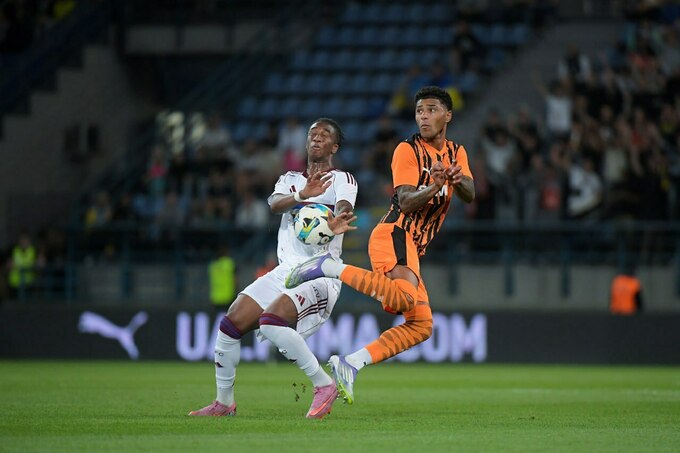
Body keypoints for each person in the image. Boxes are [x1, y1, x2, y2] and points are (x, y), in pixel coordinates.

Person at [286, 86, 475, 404]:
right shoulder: (407, 150)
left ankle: (351, 363)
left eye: (431, 109)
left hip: (412, 245)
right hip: (395, 232)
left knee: (421, 325)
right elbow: (405, 200)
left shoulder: (457, 152)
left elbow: (470, 193)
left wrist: (457, 179)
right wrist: (435, 186)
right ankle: (328, 267)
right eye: (419, 110)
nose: (423, 116)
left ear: (448, 115)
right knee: (404, 299)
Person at [189, 118, 358, 419]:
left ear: (335, 146)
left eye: (325, 134)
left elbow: (345, 206)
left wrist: (337, 219)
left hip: (320, 271)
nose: (317, 137)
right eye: (312, 133)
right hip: (285, 271)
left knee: (270, 321)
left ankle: (324, 385)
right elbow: (275, 204)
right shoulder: (290, 178)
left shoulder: (343, 179)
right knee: (231, 323)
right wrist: (303, 195)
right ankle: (224, 403)